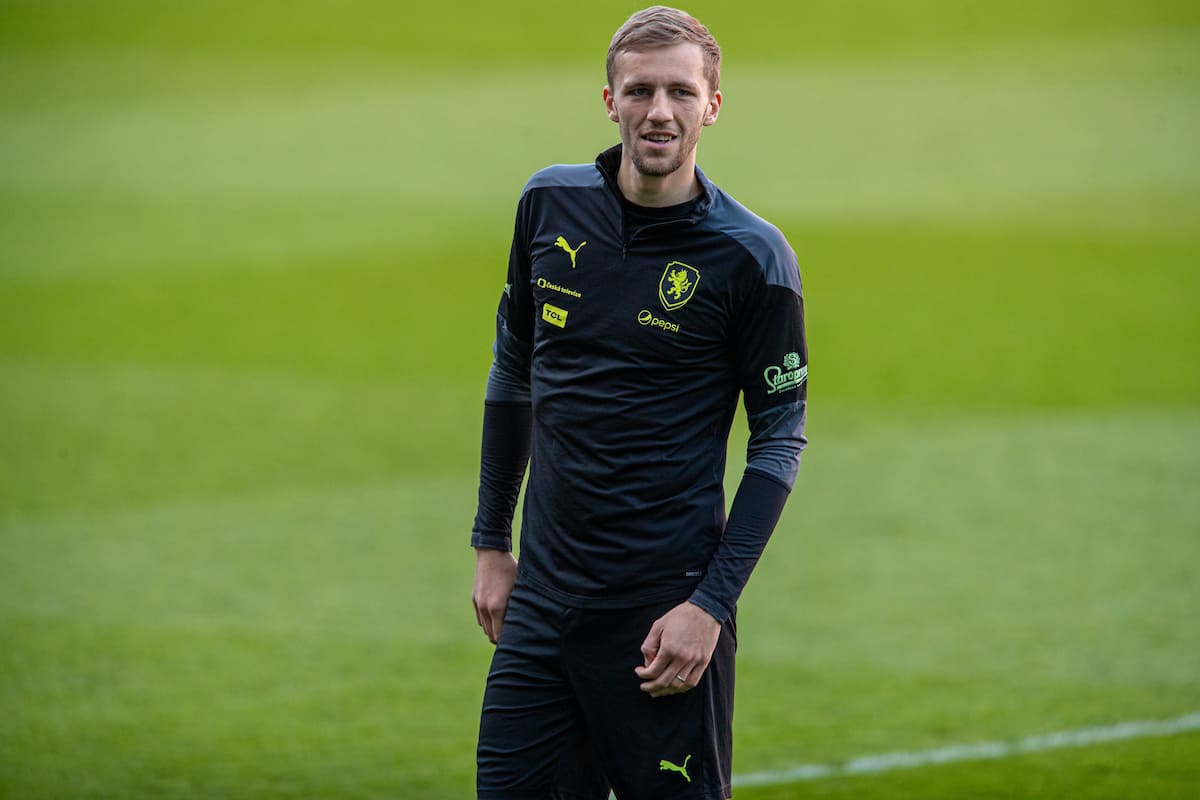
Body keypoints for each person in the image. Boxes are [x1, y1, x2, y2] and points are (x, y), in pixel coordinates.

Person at [469, 6, 807, 798]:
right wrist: (491, 539)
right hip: (542, 608)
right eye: (641, 91)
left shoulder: (751, 258)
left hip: (664, 620)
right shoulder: (547, 205)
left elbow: (779, 439)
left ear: (712, 106)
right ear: (609, 100)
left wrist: (709, 607)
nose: (660, 111)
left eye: (681, 93)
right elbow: (513, 367)